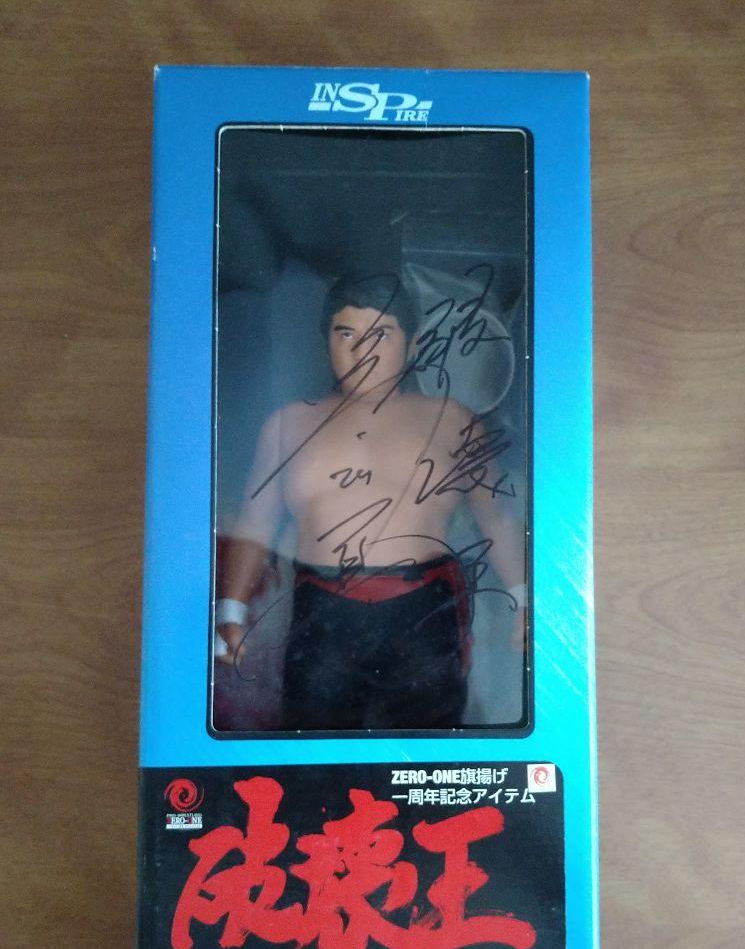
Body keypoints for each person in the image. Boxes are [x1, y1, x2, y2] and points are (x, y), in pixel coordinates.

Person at [215, 272, 525, 730]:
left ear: (413, 346)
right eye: (346, 334)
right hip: (322, 614)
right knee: (315, 748)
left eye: (381, 334)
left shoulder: (453, 422)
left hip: (423, 611)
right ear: (326, 343)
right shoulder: (287, 425)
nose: (363, 350)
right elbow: (255, 524)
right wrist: (231, 611)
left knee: (427, 753)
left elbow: (496, 517)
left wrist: (524, 598)